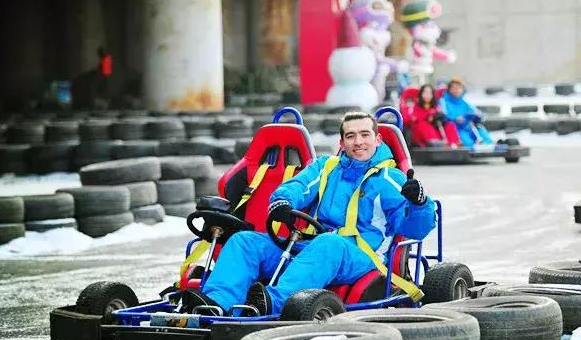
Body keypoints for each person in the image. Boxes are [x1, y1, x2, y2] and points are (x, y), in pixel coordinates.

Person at [185, 111, 437, 316]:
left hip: (360, 256)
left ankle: (272, 304)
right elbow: (296, 186)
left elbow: (415, 228)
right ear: (342, 143)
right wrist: (282, 202)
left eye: (364, 135)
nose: (358, 142)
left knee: (329, 243)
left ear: (377, 140)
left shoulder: (390, 179)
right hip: (313, 246)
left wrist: (420, 203)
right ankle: (216, 305)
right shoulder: (326, 167)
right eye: (350, 136)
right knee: (245, 241)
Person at [402, 84, 462, 148]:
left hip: (435, 132)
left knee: (449, 124)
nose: (428, 95)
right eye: (425, 92)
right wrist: (426, 118)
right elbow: (407, 119)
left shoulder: (436, 107)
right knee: (424, 124)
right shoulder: (413, 107)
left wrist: (438, 118)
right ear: (421, 94)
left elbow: (440, 118)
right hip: (421, 135)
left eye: (430, 93)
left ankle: (454, 143)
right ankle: (435, 142)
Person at [439, 78, 494, 148]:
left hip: (467, 127)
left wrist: (479, 115)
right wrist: (455, 119)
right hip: (455, 129)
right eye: (454, 88)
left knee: (479, 128)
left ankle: (488, 144)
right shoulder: (443, 101)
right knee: (467, 142)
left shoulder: (464, 102)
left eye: (459, 88)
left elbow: (476, 112)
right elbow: (442, 116)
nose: (456, 90)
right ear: (449, 89)